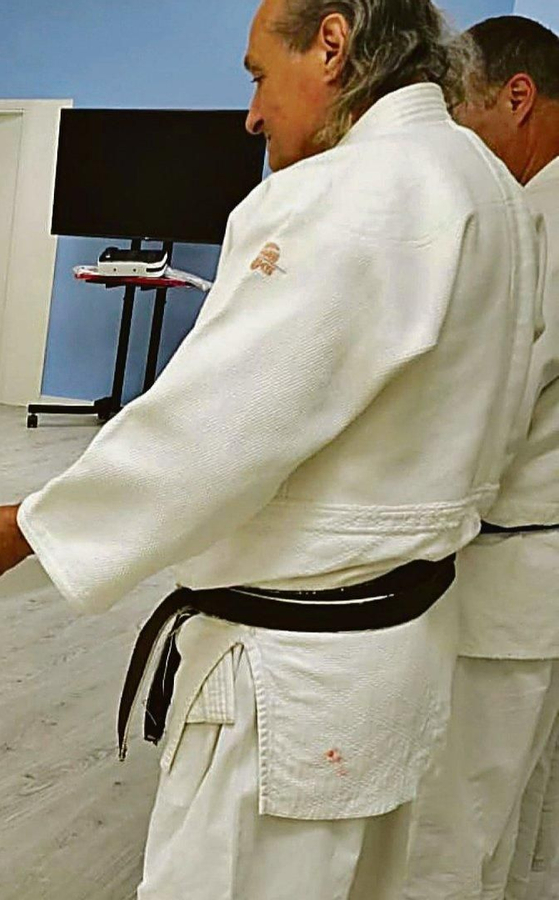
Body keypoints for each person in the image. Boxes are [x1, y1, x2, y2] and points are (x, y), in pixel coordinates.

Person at [0, 0, 544, 895]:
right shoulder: (491, 186)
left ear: (331, 45)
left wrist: (31, 526)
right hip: (400, 650)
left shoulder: (353, 189)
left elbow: (218, 427)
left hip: (292, 680)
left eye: (259, 75)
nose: (253, 114)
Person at [402, 16, 559, 899]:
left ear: (517, 97)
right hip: (533, 574)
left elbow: (494, 409)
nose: (455, 135)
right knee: (503, 820)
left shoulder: (535, 225)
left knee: (451, 830)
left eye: (459, 109)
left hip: (510, 570)